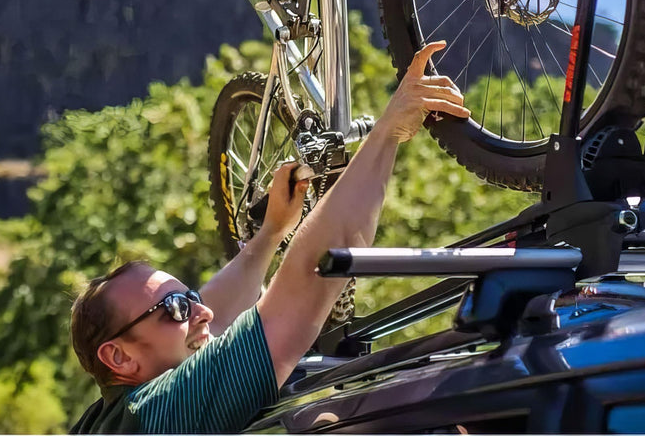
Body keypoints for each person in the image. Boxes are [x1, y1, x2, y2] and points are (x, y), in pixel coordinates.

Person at [70, 41, 469, 433]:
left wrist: (270, 233)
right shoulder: (158, 415)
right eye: (175, 309)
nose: (201, 312)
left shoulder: (108, 420)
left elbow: (215, 310)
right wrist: (388, 131)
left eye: (188, 298)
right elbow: (311, 277)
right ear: (118, 357)